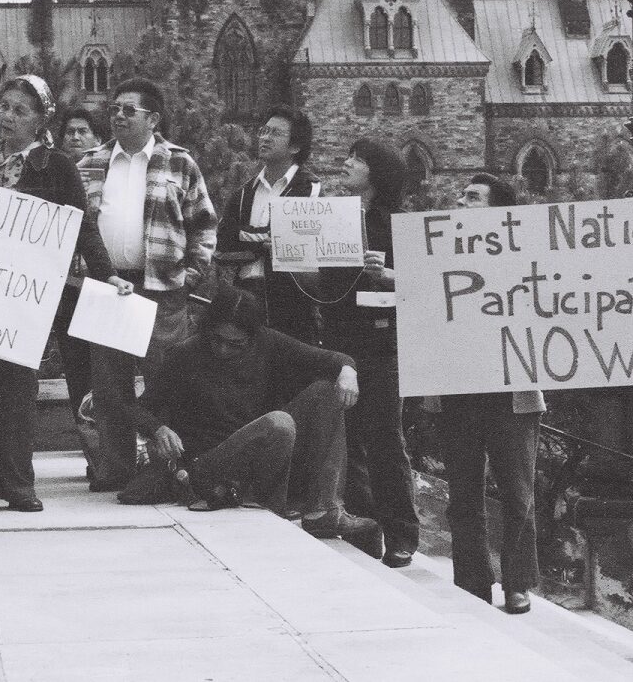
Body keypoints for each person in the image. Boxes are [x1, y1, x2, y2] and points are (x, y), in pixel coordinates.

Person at [0, 74, 128, 514]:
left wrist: (108, 274)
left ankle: (19, 485)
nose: (8, 116)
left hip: (24, 297)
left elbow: (82, 225)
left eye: (21, 110)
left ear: (42, 119)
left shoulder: (57, 167)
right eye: (5, 106)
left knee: (20, 389)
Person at [122, 285, 381, 553]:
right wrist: (159, 429)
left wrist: (347, 370)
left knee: (325, 392)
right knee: (278, 423)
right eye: (217, 340)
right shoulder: (184, 354)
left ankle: (324, 510)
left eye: (235, 344)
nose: (223, 349)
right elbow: (137, 409)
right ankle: (261, 498)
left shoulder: (268, 342)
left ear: (251, 337)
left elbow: (331, 359)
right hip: (207, 463)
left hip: (258, 452)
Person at [77, 77, 218, 492]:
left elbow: (204, 224)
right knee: (108, 383)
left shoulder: (180, 163)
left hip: (163, 285)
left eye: (128, 110)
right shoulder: (89, 162)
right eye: (115, 108)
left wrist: (190, 274)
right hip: (107, 285)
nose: (118, 116)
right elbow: (73, 224)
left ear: (153, 118)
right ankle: (115, 468)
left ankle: (168, 469)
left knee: (165, 378)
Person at [303, 138, 418, 567]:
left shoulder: (396, 223)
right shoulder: (333, 217)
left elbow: (423, 284)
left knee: (386, 439)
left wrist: (389, 274)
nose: (346, 163)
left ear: (377, 172)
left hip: (383, 344)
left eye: (358, 159)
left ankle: (402, 534)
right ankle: (364, 525)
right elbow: (322, 286)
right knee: (346, 440)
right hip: (338, 339)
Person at [435, 172, 546, 609]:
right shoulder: (439, 253)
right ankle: (471, 583)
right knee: (463, 493)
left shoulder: (524, 257)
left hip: (511, 390)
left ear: (499, 209)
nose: (462, 203)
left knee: (517, 491)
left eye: (474, 197)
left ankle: (516, 582)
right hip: (459, 387)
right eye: (461, 196)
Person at [216, 105, 321, 344]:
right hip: (246, 294)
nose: (264, 138)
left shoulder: (311, 190)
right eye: (264, 131)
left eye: (275, 133)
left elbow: (300, 245)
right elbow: (223, 245)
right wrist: (265, 243)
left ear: (295, 146)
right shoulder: (244, 192)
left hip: (292, 300)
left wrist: (248, 237)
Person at [53, 107, 109, 479]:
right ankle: (92, 455)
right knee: (76, 373)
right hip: (64, 289)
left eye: (83, 131)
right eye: (69, 132)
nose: (74, 138)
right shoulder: (51, 177)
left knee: (104, 374)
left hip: (100, 286)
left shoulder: (109, 176)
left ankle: (112, 452)